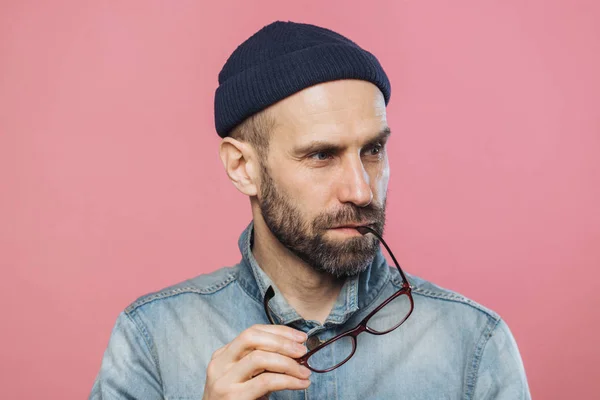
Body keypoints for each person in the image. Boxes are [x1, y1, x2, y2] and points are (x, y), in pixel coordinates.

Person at [90, 20, 531, 399]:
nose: (361, 191)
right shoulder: (152, 339)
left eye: (373, 150)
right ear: (243, 167)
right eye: (321, 155)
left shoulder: (473, 342)